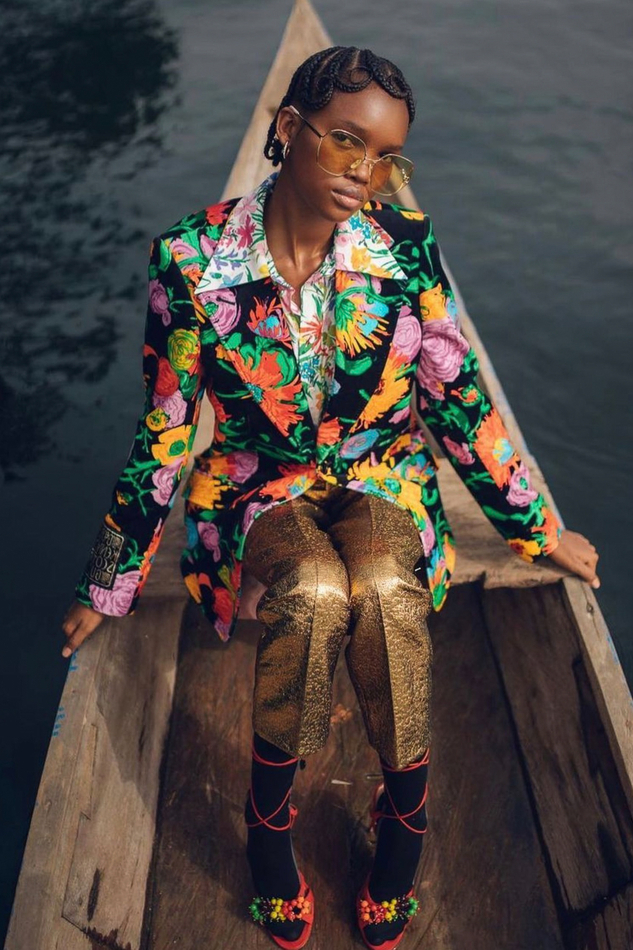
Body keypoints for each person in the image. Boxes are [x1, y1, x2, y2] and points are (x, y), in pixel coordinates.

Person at [61, 46, 600, 949]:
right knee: (313, 594)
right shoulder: (189, 260)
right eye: (346, 140)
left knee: (384, 590)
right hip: (255, 487)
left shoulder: (404, 248)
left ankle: (405, 816)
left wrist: (536, 530)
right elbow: (165, 429)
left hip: (382, 473)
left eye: (386, 157)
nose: (364, 172)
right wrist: (107, 581)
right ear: (288, 128)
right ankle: (267, 824)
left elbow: (457, 397)